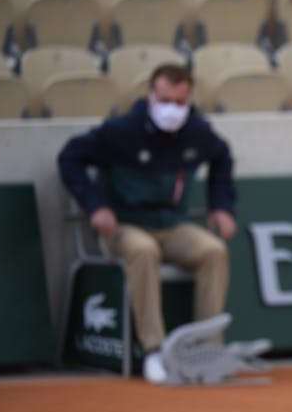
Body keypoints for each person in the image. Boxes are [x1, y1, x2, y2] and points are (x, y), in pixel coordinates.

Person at [57, 64, 237, 383]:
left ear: (189, 100)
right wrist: (94, 206)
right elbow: (69, 157)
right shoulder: (121, 131)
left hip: (172, 224)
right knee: (143, 250)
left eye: (180, 103)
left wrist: (221, 207)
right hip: (125, 226)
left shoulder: (197, 131)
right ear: (151, 95)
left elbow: (222, 158)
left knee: (213, 250)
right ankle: (154, 351)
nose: (173, 109)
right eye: (165, 100)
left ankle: (204, 351)